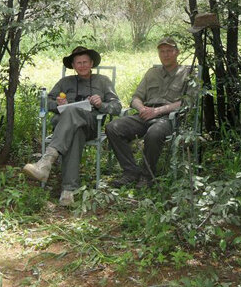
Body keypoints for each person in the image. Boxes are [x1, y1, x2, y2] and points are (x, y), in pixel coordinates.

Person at [23, 46, 121, 206]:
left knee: (72, 112)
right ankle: (68, 192)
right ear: (73, 66)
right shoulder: (64, 82)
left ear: (91, 64)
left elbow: (117, 107)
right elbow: (46, 103)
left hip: (90, 125)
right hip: (69, 129)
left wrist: (101, 104)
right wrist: (57, 104)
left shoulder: (103, 81)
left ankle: (47, 161)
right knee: (75, 132)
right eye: (78, 63)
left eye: (85, 62)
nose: (82, 66)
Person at [106, 37, 192, 188]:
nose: (165, 55)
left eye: (169, 51)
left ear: (177, 52)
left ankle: (147, 176)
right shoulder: (152, 73)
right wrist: (142, 109)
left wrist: (157, 111)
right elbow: (136, 97)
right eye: (162, 51)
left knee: (154, 133)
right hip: (145, 114)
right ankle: (131, 171)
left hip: (168, 117)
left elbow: (187, 102)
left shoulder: (187, 73)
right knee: (113, 127)